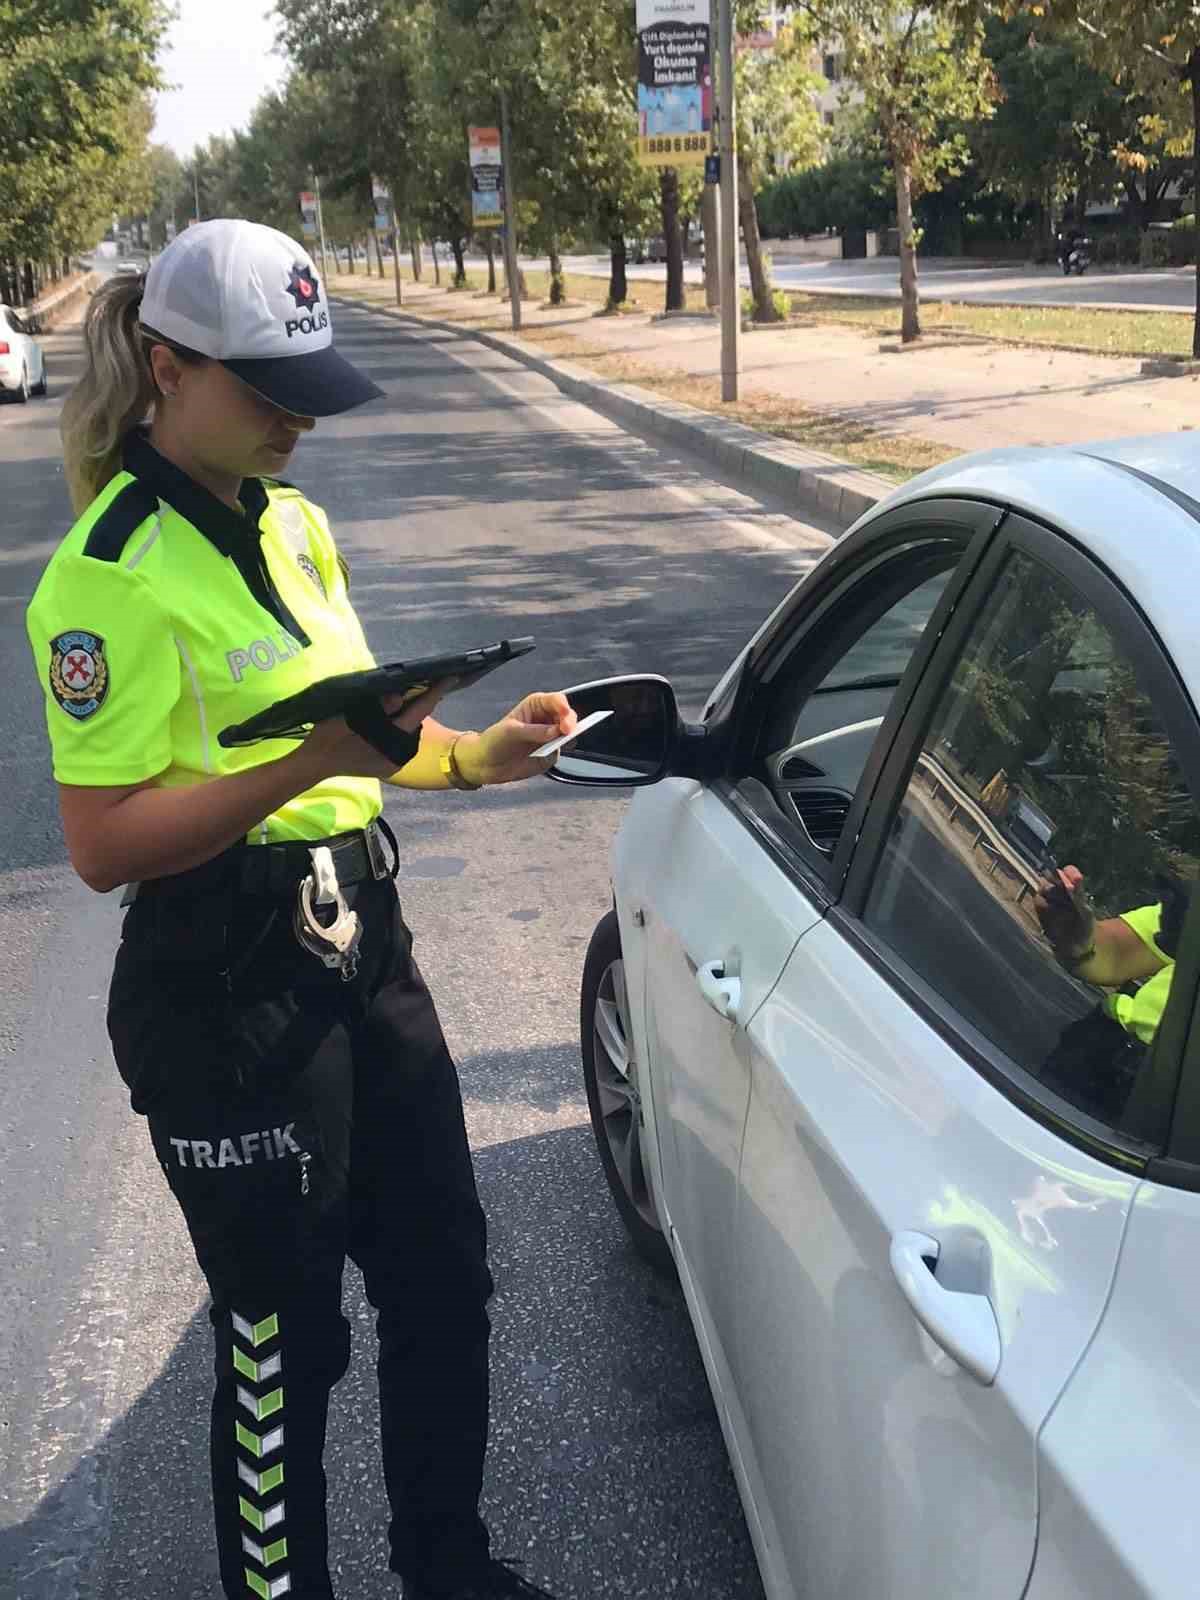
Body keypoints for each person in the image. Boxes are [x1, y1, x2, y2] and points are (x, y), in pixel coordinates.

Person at [26, 219, 574, 1600]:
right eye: (266, 393)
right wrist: (312, 762)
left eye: (305, 391)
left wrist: (474, 757)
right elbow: (105, 845)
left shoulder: (298, 525)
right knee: (282, 1344)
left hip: (365, 950)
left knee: (445, 1280)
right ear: (165, 368)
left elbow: (361, 754)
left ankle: (449, 1568)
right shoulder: (105, 577)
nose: (294, 424)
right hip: (225, 982)